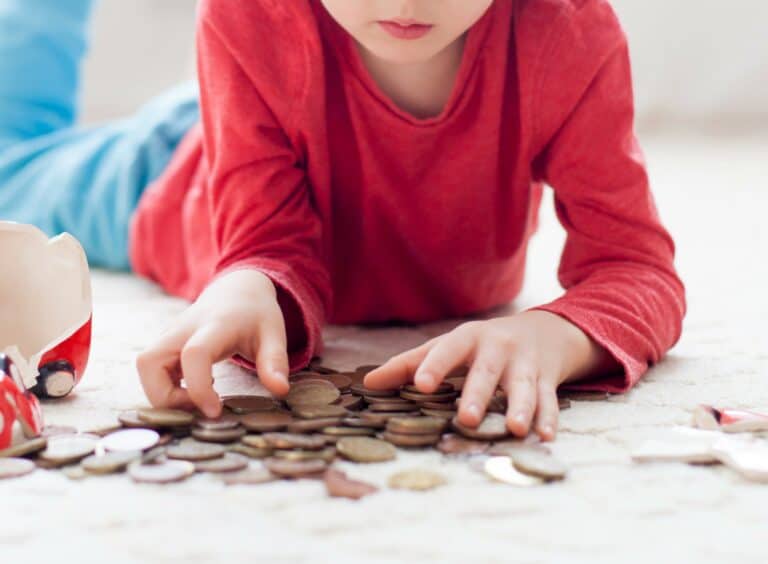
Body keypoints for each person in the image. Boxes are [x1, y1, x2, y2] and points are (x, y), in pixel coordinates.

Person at [0, 0, 686, 441]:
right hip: (167, 176)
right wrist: (247, 284)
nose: (405, 0)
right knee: (11, 165)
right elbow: (263, 244)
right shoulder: (244, 20)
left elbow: (636, 268)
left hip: (271, 94)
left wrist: (557, 335)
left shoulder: (570, 36)